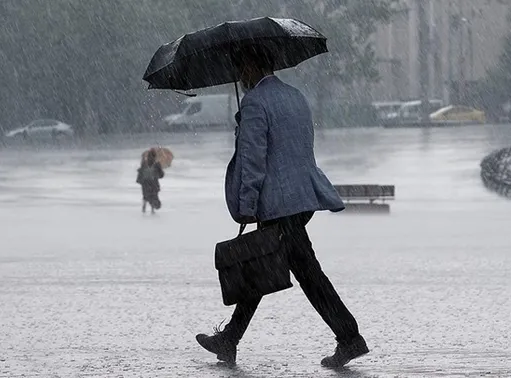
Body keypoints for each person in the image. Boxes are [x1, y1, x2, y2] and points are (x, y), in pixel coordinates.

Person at [195, 45, 368, 368]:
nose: (239, 76)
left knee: (302, 272)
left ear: (250, 65)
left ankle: (349, 337)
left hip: (277, 204)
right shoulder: (295, 96)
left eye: (241, 68)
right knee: (263, 266)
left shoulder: (255, 102)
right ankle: (230, 339)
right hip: (300, 198)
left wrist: (247, 205)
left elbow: (253, 161)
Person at [136, 148, 165, 213]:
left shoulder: (144, 163)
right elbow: (161, 175)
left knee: (145, 195)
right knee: (153, 195)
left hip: (145, 183)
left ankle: (144, 207)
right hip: (154, 183)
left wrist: (140, 181)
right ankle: (152, 209)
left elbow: (141, 172)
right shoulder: (157, 164)